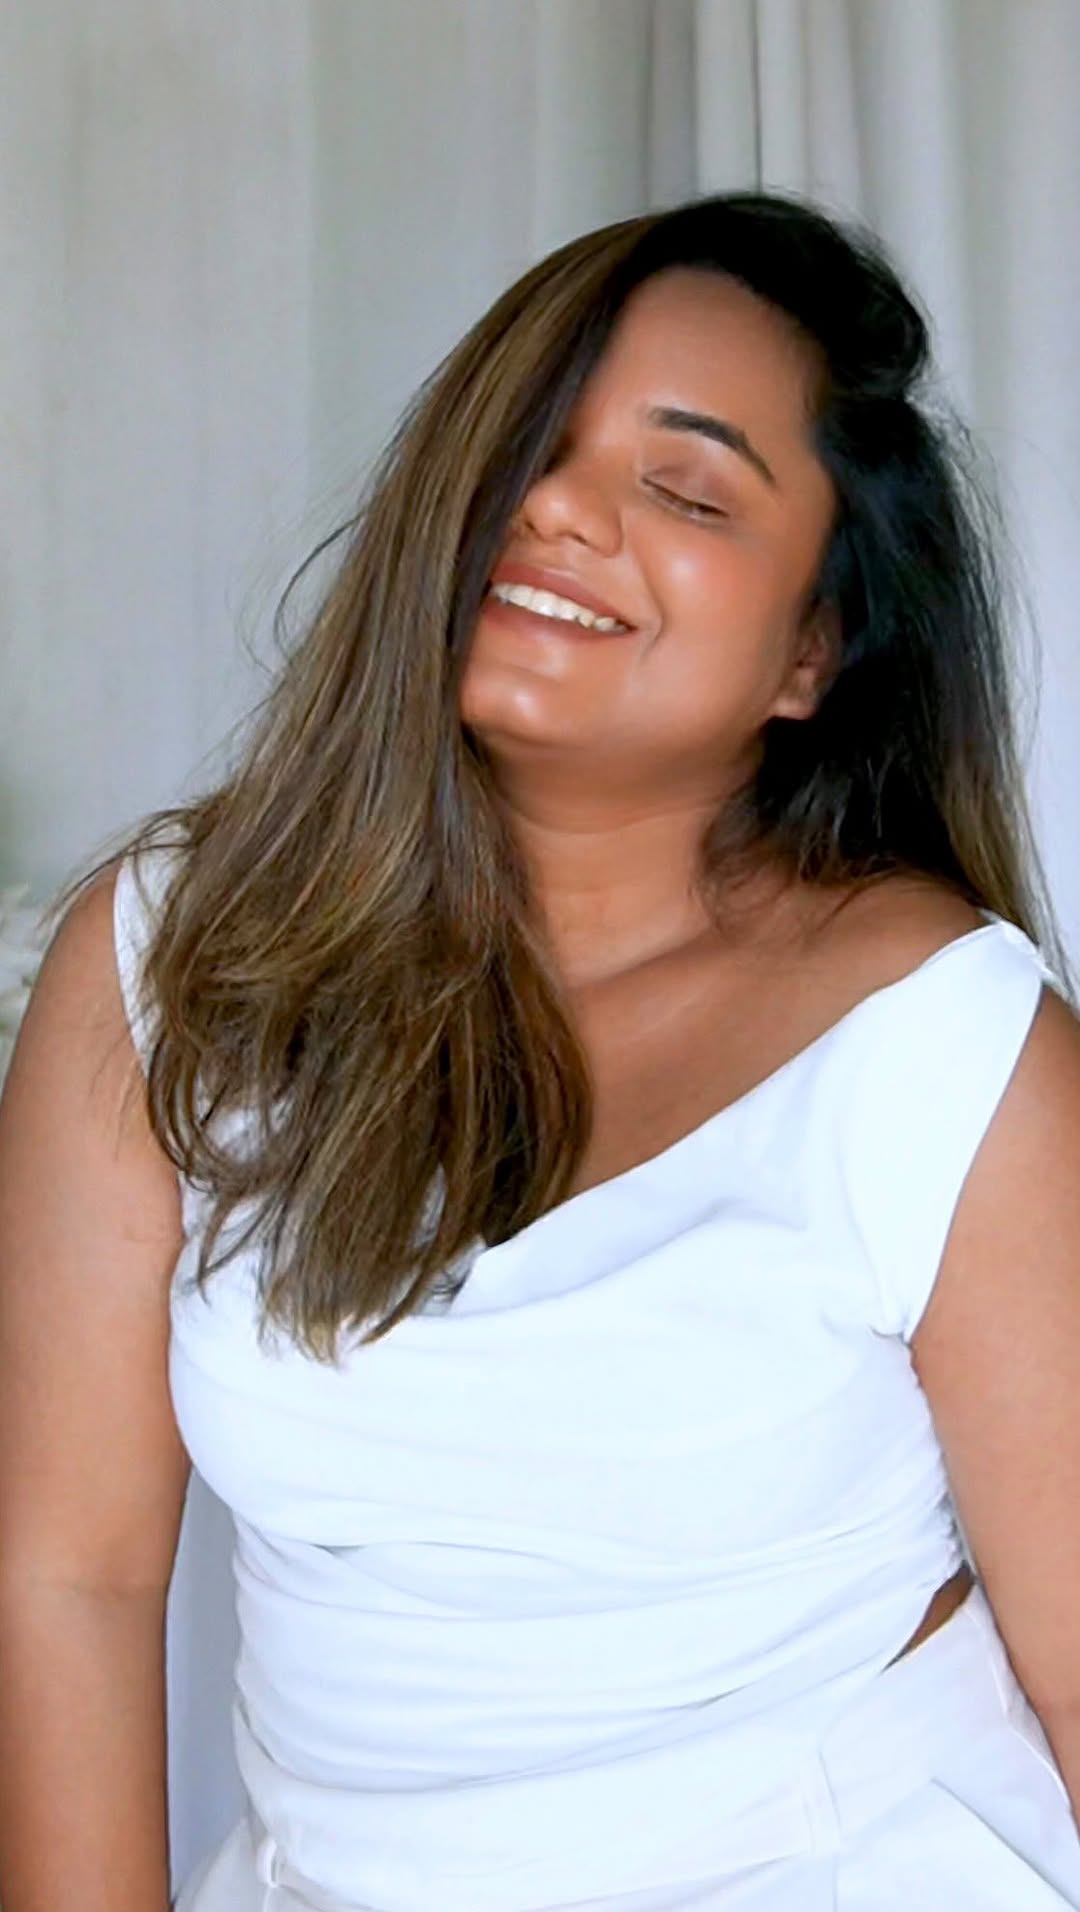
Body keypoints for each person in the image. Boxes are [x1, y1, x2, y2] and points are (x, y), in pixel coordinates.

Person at [1, 190, 1079, 1912]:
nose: (561, 508)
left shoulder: (938, 1041)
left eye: (688, 489)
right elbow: (72, 1576)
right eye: (532, 443)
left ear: (812, 652)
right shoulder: (168, 964)